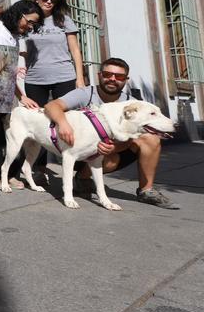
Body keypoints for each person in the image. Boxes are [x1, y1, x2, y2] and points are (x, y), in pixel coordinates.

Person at [43, 58, 178, 209]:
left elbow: (135, 135)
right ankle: (82, 177)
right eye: (108, 74)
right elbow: (51, 106)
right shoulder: (85, 93)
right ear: (100, 75)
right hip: (75, 149)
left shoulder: (132, 103)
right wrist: (63, 124)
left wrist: (116, 147)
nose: (112, 79)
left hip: (105, 153)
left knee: (150, 139)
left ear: (126, 80)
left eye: (119, 77)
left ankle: (146, 190)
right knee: (104, 158)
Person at [0, 0, 43, 189]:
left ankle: (9, 173)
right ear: (18, 14)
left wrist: (21, 95)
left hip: (4, 89)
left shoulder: (14, 34)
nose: (30, 27)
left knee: (7, 131)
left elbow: (8, 69)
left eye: (34, 24)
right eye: (29, 22)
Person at [24, 0, 86, 105]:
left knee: (66, 116)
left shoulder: (64, 20)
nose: (49, 2)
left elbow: (75, 51)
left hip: (64, 77)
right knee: (37, 118)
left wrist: (80, 78)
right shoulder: (28, 21)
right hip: (35, 78)